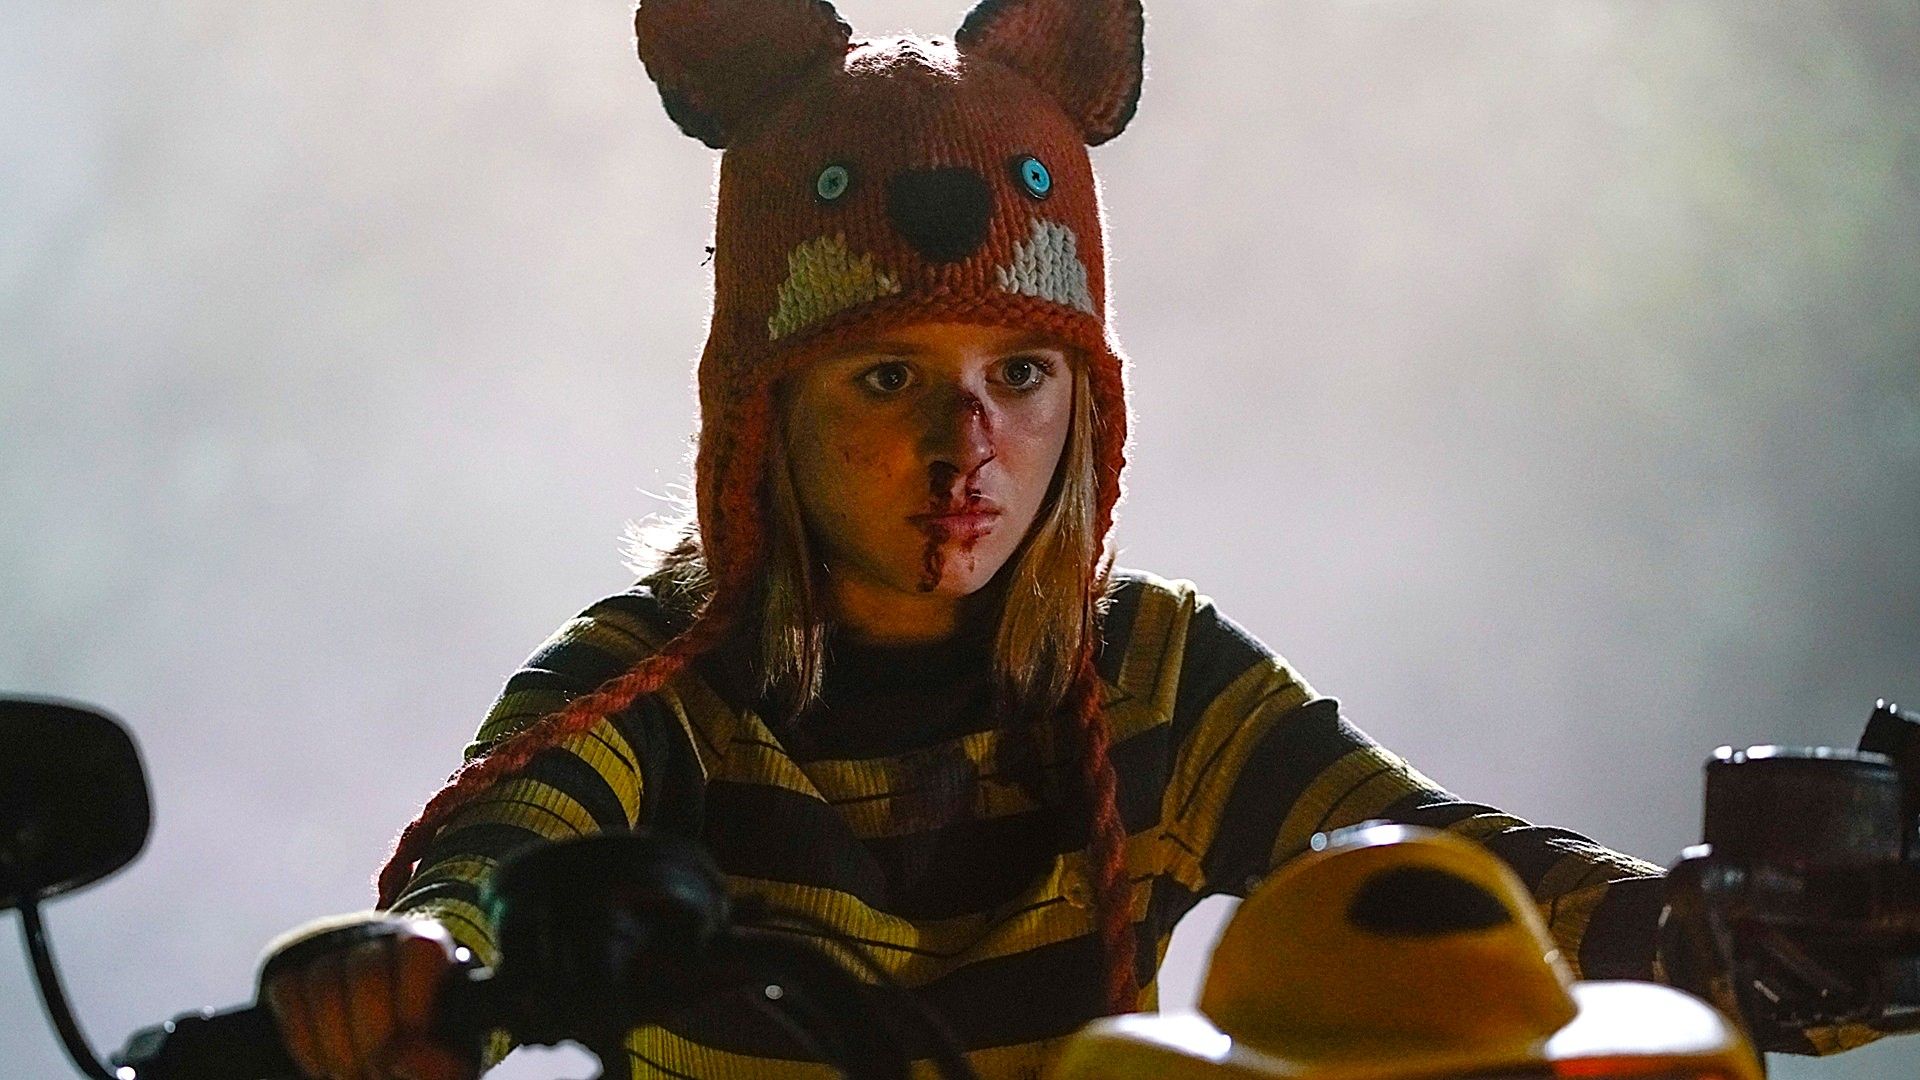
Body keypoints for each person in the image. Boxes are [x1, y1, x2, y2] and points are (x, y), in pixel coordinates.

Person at [255, 1, 1861, 1077]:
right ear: (763, 411)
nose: (968, 445)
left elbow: (1440, 870)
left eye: (1020, 374)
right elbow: (494, 860)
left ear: (1083, 403)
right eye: (889, 376)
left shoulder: (1156, 676)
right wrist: (405, 963)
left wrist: (1753, 935)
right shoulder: (652, 687)